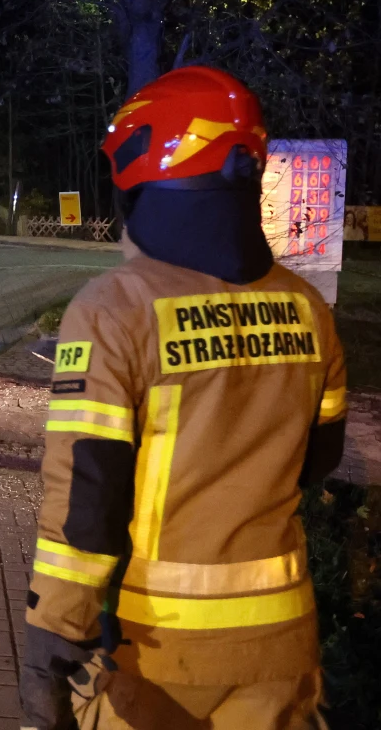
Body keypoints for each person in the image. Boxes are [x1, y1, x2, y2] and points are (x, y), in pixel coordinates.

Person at [19, 66, 346, 729]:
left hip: (157, 654)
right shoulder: (307, 308)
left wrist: (57, 627)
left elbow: (88, 494)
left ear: (145, 170)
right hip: (284, 644)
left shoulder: (116, 308)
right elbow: (319, 459)